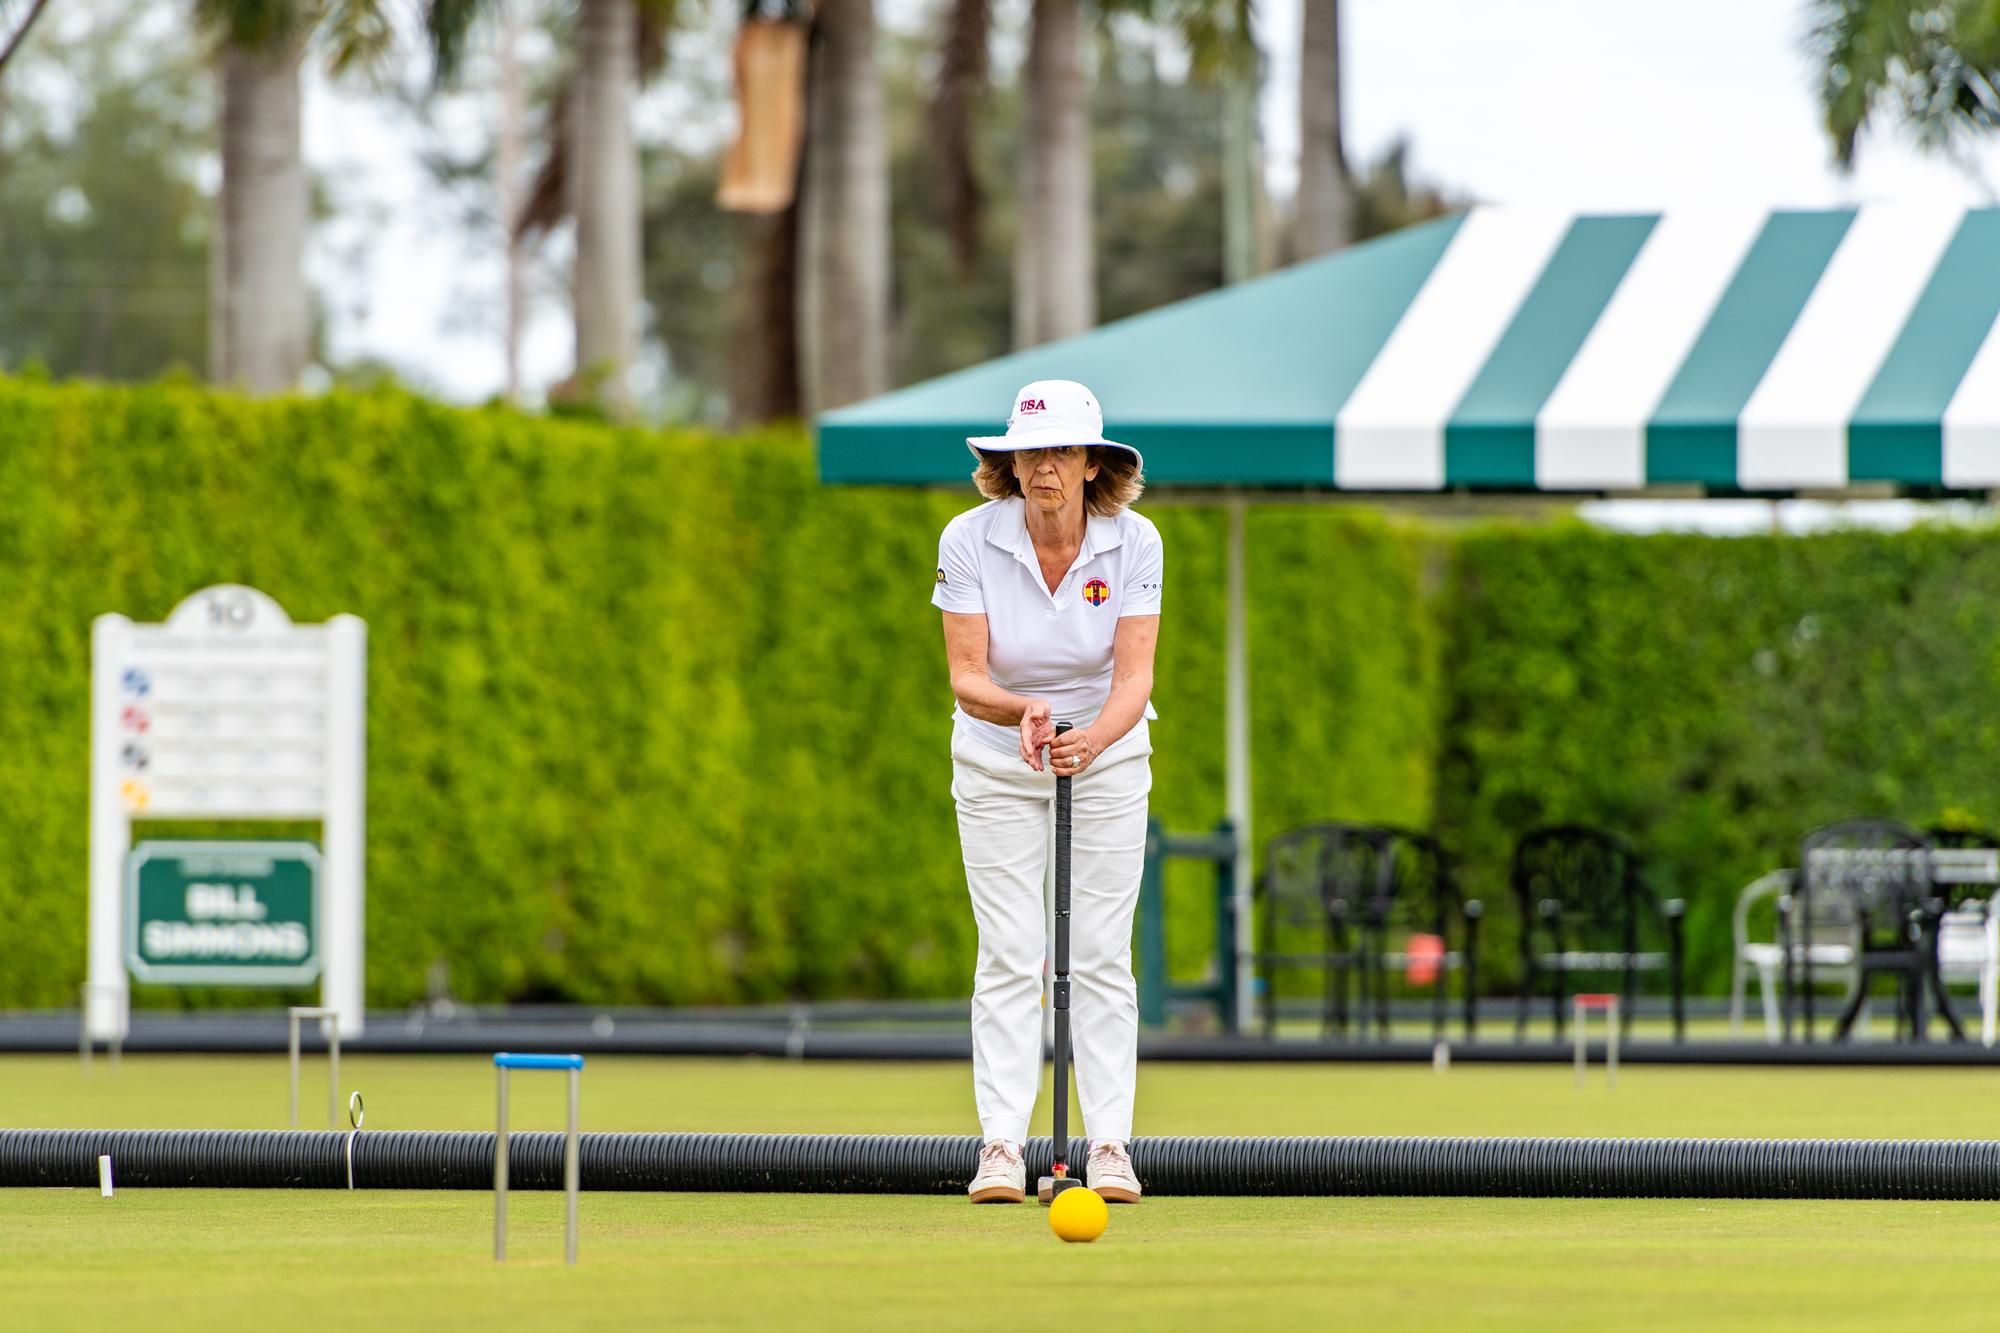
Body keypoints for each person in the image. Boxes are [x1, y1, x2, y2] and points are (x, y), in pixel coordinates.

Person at [932, 379, 1163, 1204]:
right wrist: (1024, 709)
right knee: (1008, 949)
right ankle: (1001, 1144)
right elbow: (967, 678)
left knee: (1099, 951)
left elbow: (1133, 678)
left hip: (1107, 759)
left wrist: (1090, 740)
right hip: (998, 759)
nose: (1046, 469)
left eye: (1063, 451)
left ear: (1094, 463)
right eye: (1032, 452)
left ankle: (1108, 1146)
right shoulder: (967, 539)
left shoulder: (1137, 543)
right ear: (1011, 463)